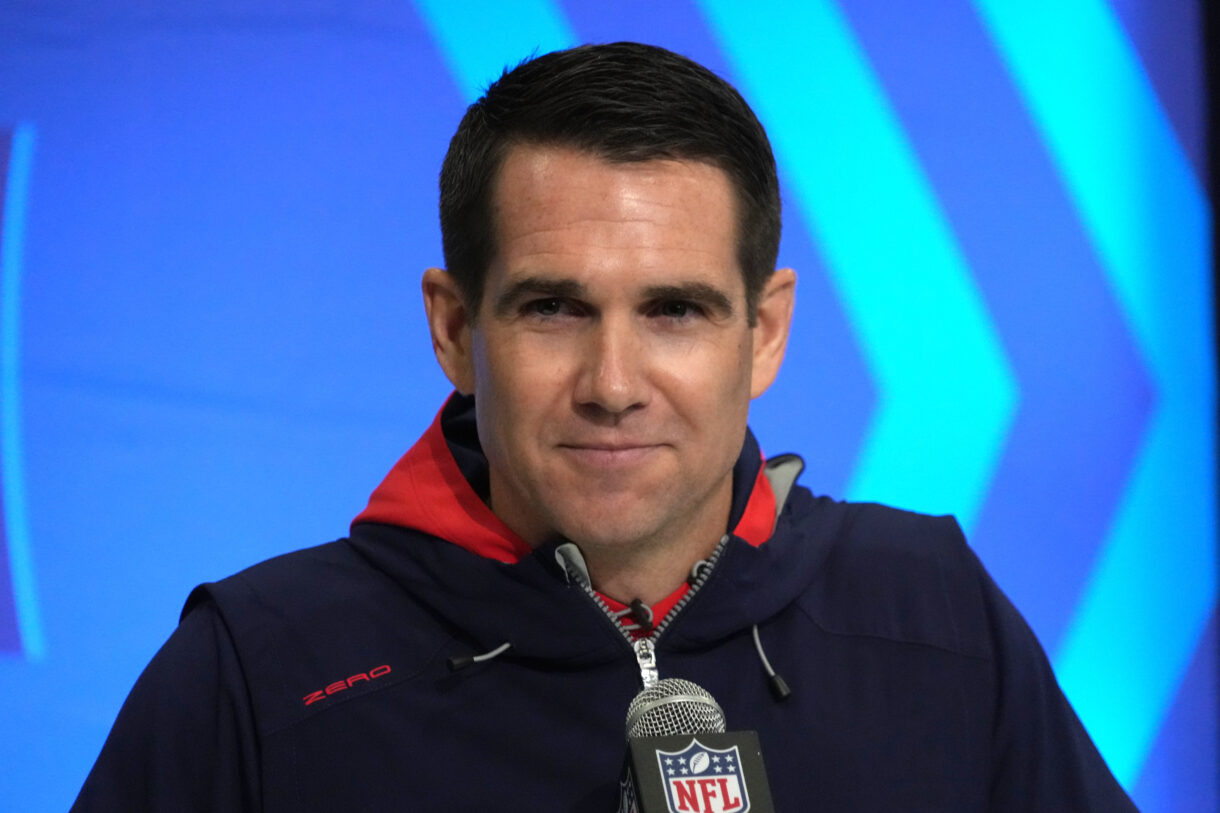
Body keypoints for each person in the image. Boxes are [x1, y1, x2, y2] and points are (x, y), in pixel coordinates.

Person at [73, 42, 1135, 811]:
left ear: (762, 333)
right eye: (553, 309)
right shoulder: (263, 667)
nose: (612, 383)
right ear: (453, 328)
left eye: (672, 310)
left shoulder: (931, 607)